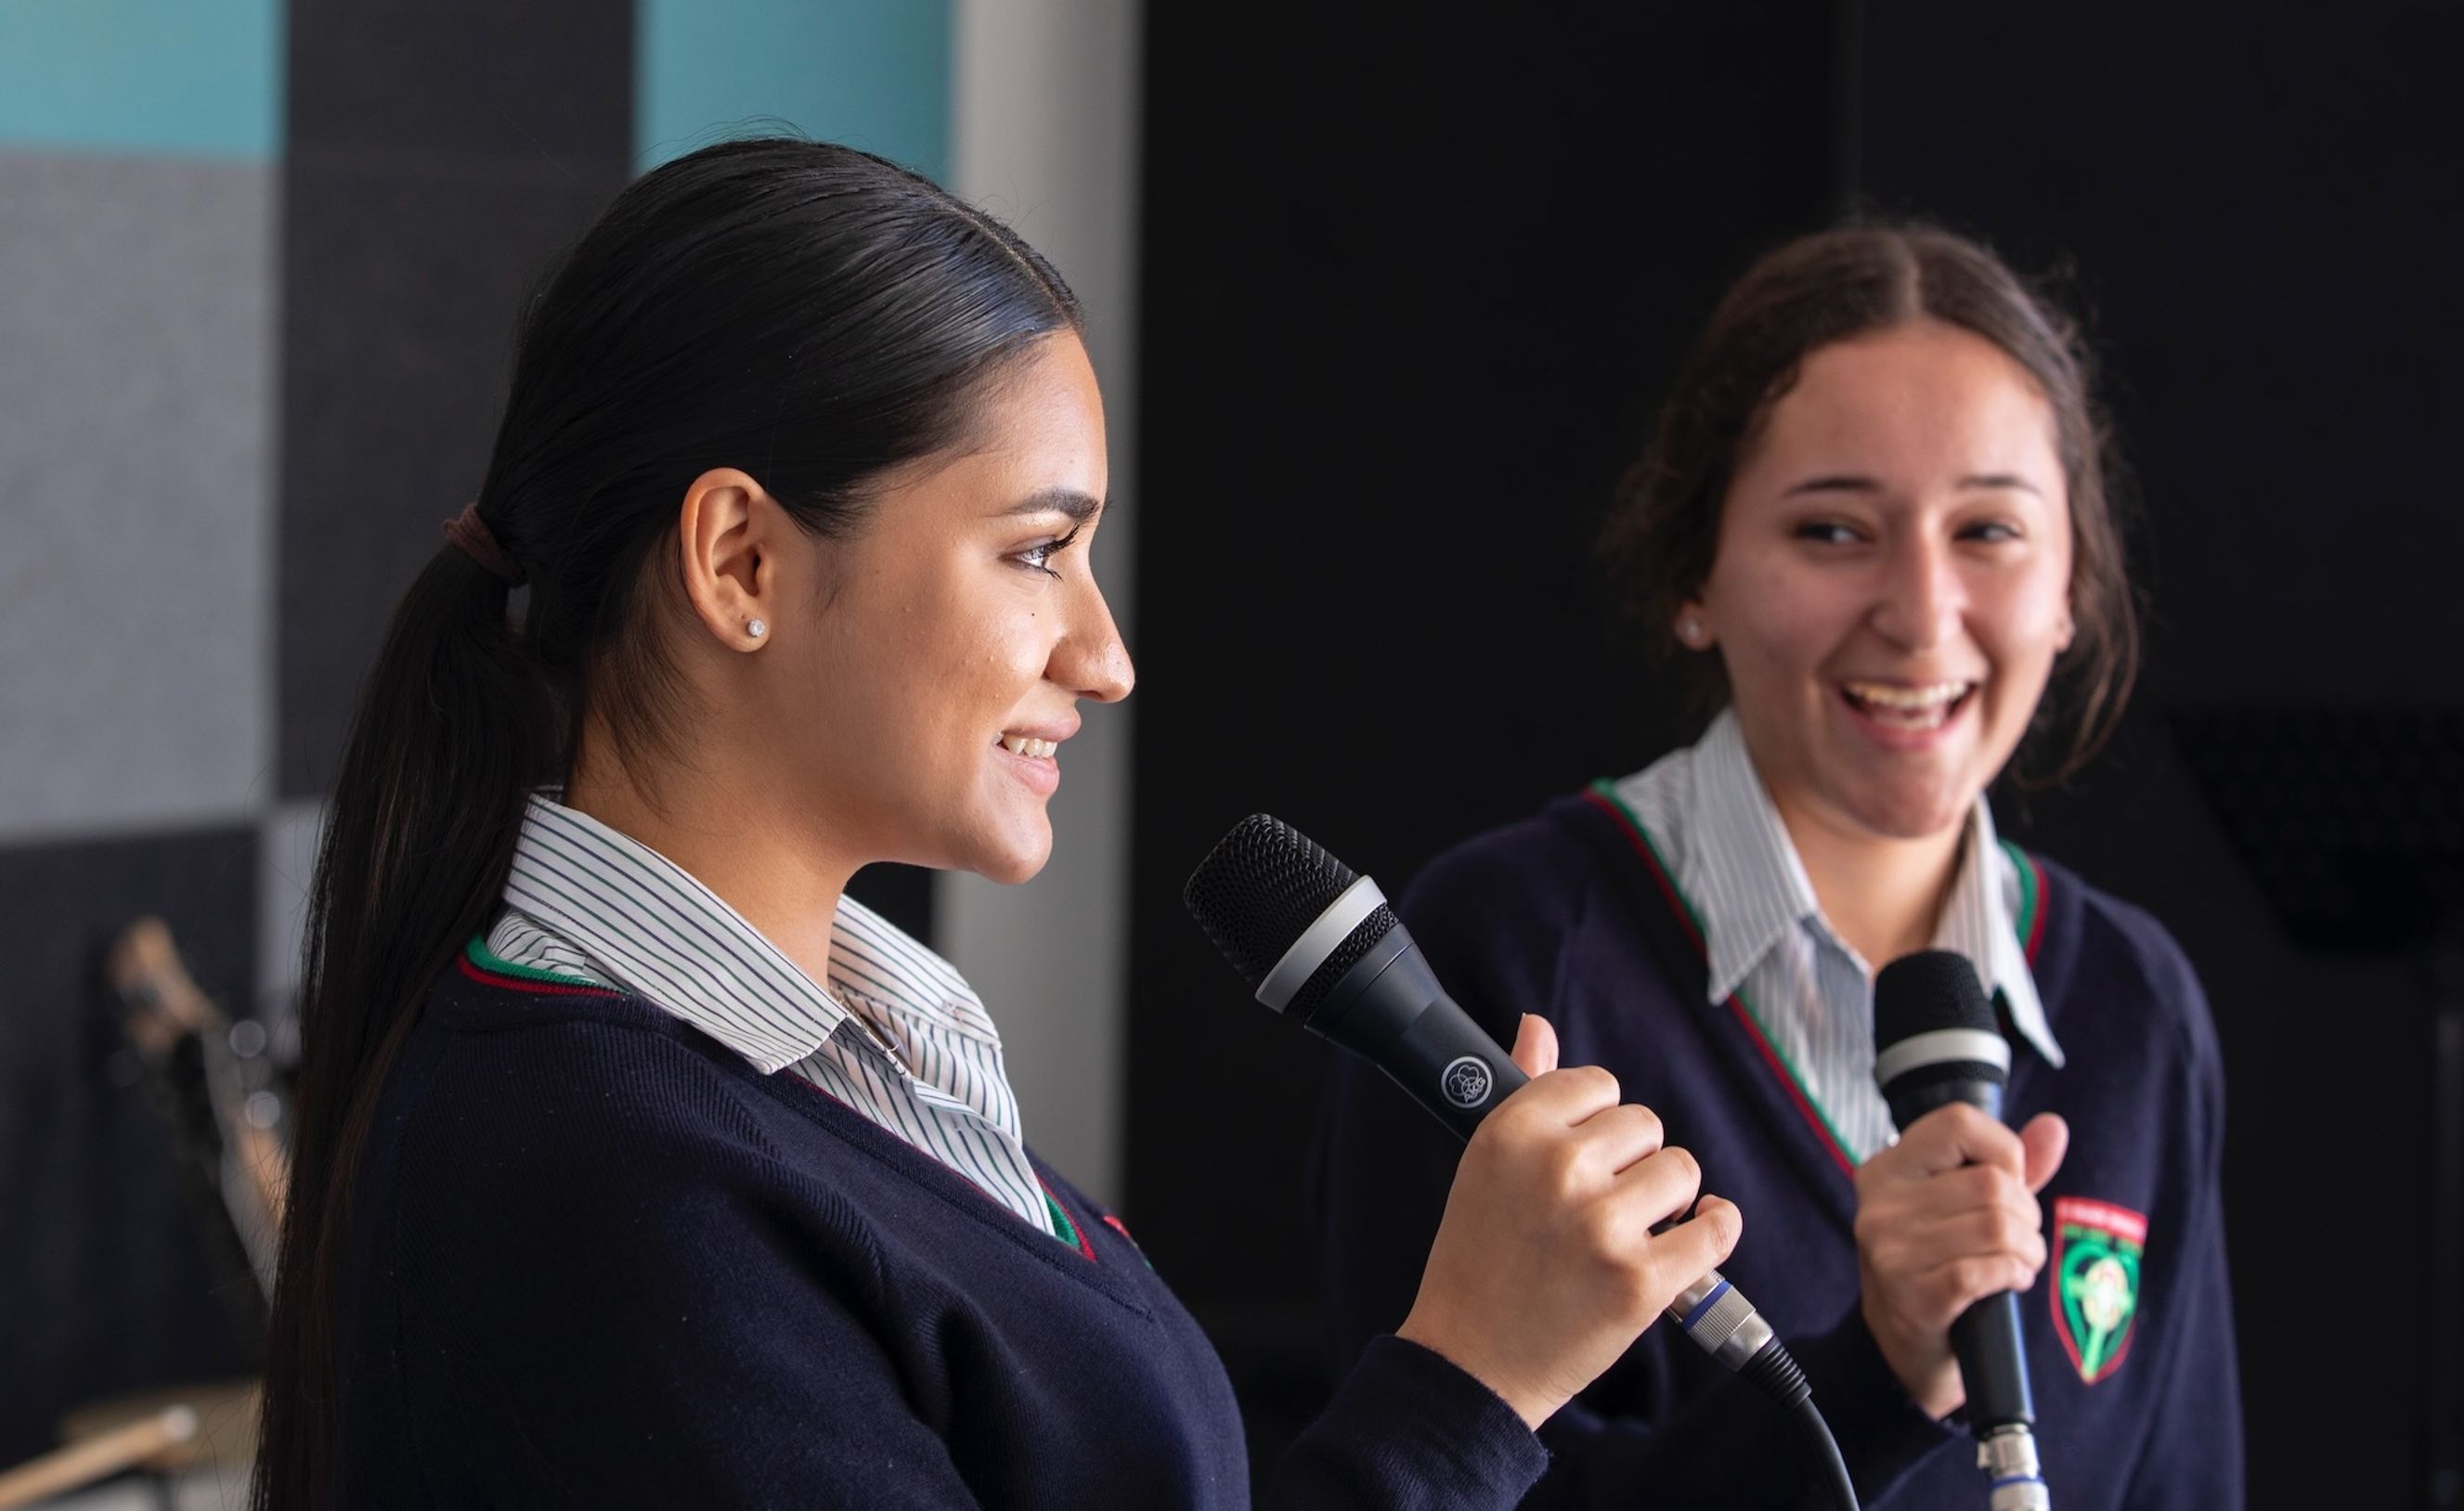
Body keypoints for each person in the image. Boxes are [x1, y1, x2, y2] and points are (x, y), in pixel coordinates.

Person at [248, 137, 1741, 1510]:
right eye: (1038, 551)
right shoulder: (606, 1185)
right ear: (742, 561)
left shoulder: (842, 1050)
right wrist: (1464, 1389)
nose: (1105, 657)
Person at [1314, 226, 2242, 1508]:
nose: (1920, 615)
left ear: (2071, 585)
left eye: (1987, 530)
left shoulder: (2136, 1002)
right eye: (1831, 531)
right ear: (1695, 575)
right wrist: (1879, 1372)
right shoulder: (1511, 947)